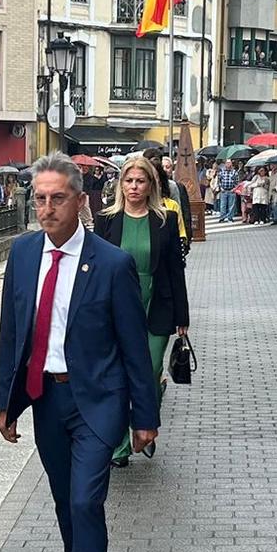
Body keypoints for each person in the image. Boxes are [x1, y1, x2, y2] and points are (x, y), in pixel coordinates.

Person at [0, 154, 158, 552]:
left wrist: (143, 417)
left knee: (86, 501)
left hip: (98, 400)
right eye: (39, 198)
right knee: (66, 501)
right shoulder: (22, 256)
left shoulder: (112, 264)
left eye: (57, 198)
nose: (46, 208)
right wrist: (7, 401)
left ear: (80, 201)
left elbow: (134, 346)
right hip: (47, 398)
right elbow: (11, 332)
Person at [93, 153, 190, 468]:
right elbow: (95, 270)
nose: (134, 187)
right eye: (129, 181)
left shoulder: (165, 220)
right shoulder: (106, 219)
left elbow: (175, 269)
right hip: (117, 308)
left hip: (156, 305)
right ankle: (120, 446)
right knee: (119, 377)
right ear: (122, 184)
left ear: (151, 185)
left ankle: (146, 424)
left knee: (147, 373)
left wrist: (182, 318)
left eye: (141, 181)